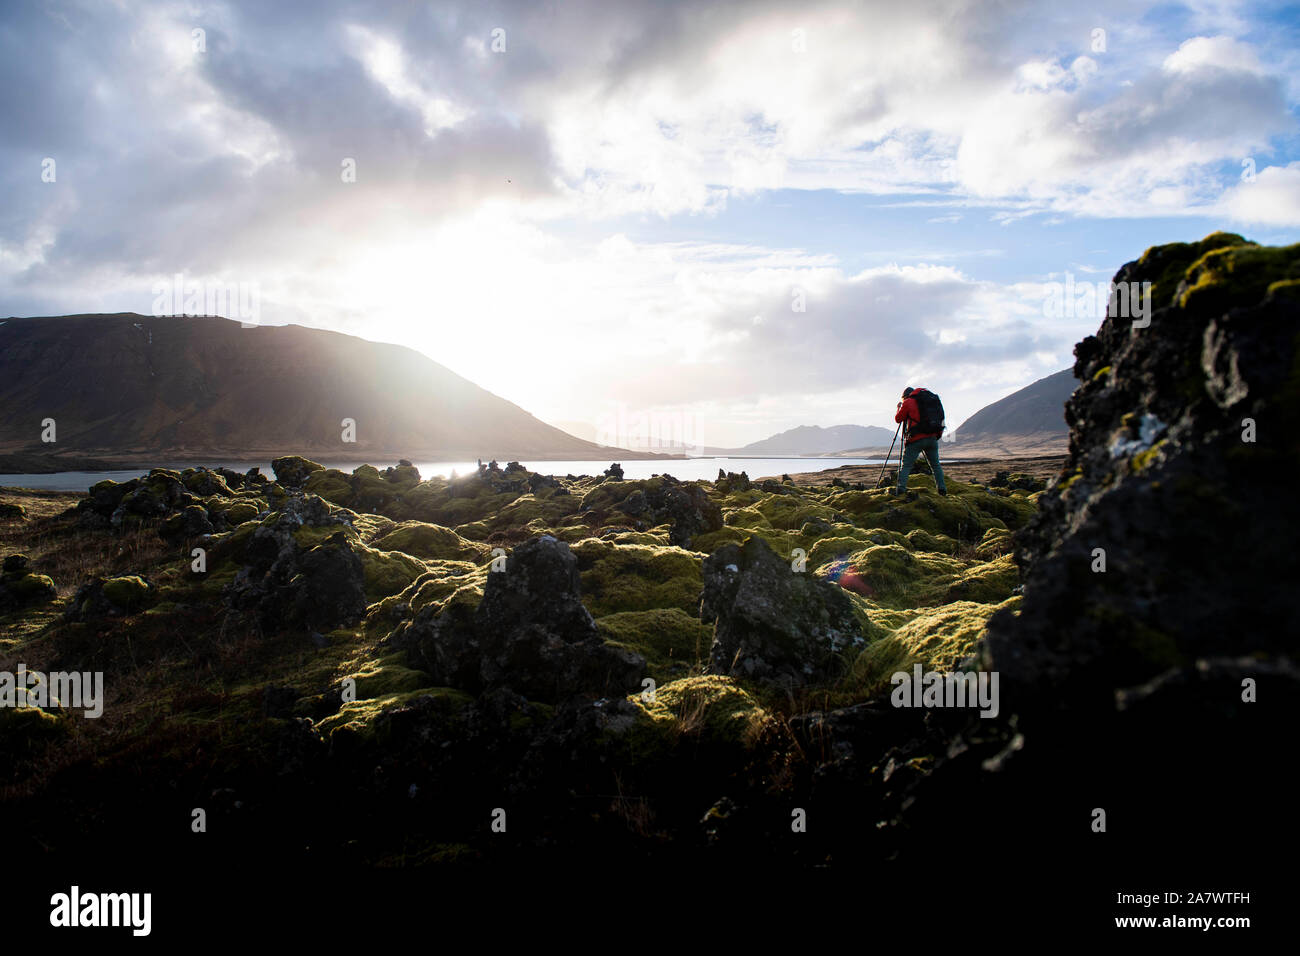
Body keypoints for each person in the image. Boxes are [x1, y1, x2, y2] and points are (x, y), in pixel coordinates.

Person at [892, 386, 947, 496]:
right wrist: (936, 436)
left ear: (905, 397)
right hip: (932, 438)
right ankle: (942, 489)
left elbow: (898, 419)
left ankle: (901, 489)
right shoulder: (930, 401)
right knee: (936, 465)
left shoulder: (908, 402)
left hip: (916, 439)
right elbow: (941, 419)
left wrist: (899, 408)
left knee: (906, 466)